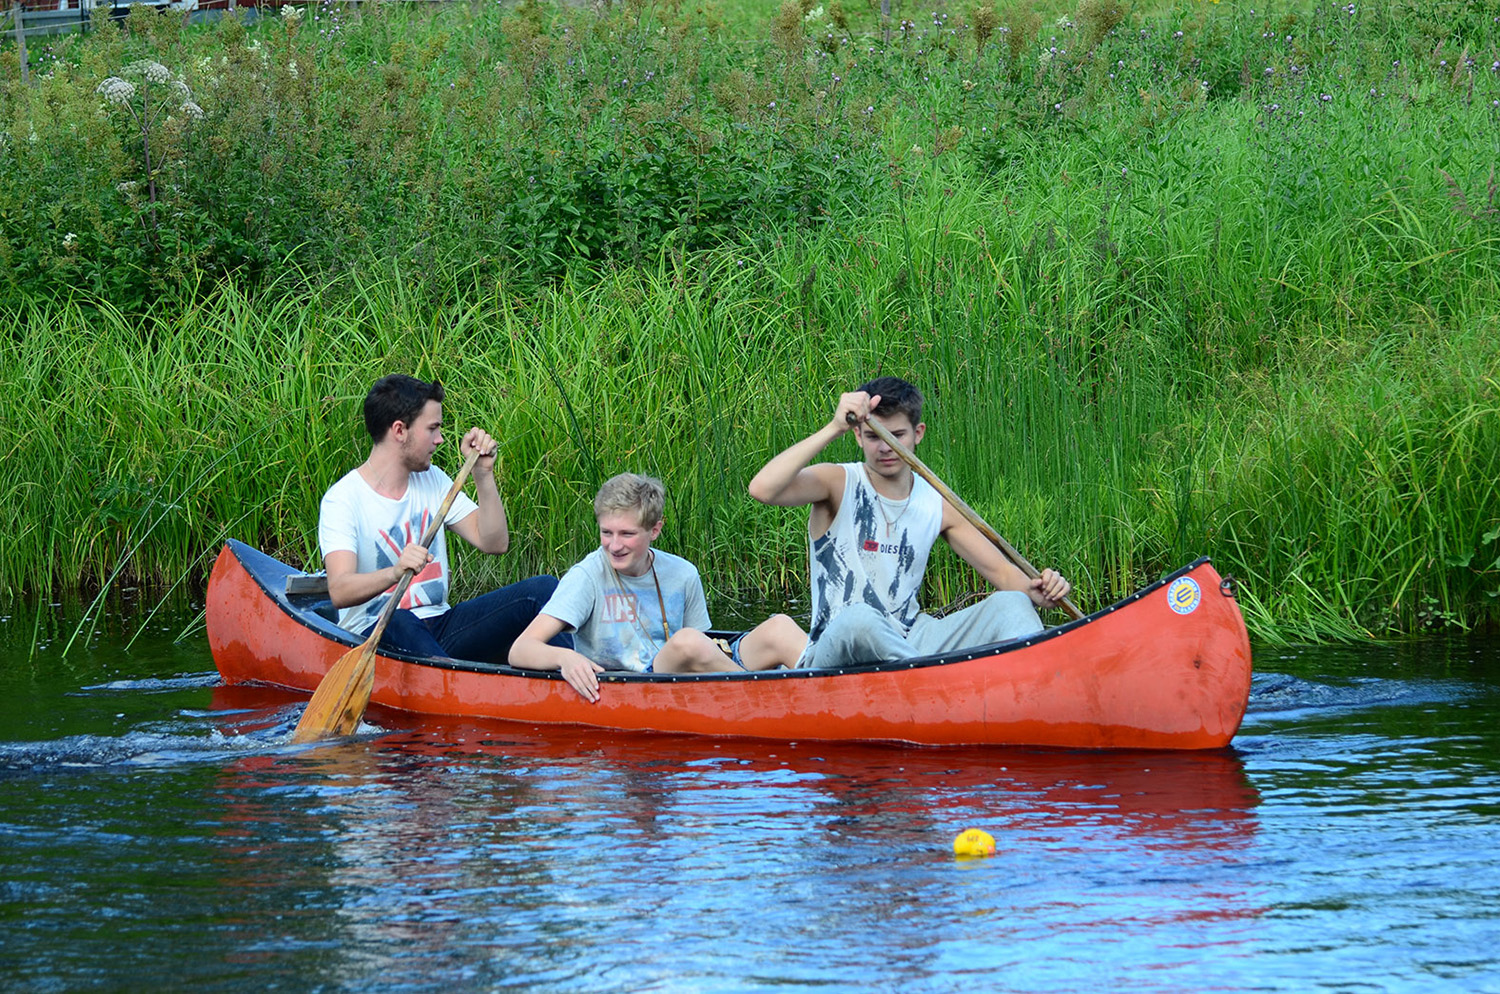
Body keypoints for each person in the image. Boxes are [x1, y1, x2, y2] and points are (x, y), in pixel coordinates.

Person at [746, 376, 1071, 669]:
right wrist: (835, 427)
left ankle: (1033, 681)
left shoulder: (936, 504)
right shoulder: (839, 482)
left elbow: (1001, 573)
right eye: (874, 436)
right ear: (858, 435)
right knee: (861, 619)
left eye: (897, 435)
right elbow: (762, 489)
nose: (886, 447)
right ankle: (935, 683)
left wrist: (1037, 590)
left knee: (1011, 603)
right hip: (841, 647)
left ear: (918, 434)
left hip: (909, 642)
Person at [318, 374, 565, 663]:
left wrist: (483, 474)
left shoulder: (433, 479)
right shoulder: (344, 499)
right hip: (375, 638)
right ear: (400, 430)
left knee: (543, 589)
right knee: (400, 620)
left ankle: (575, 679)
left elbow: (494, 542)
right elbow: (339, 590)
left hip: (440, 628)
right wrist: (394, 573)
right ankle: (454, 690)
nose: (440, 439)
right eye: (433, 428)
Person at [509, 473, 807, 701]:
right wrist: (565, 657)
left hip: (697, 670)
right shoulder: (587, 576)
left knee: (779, 625)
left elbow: (705, 650)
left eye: (627, 534)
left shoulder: (683, 573)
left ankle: (830, 684)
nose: (614, 545)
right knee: (686, 641)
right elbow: (521, 650)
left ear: (655, 530)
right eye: (606, 532)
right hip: (645, 679)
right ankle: (768, 696)